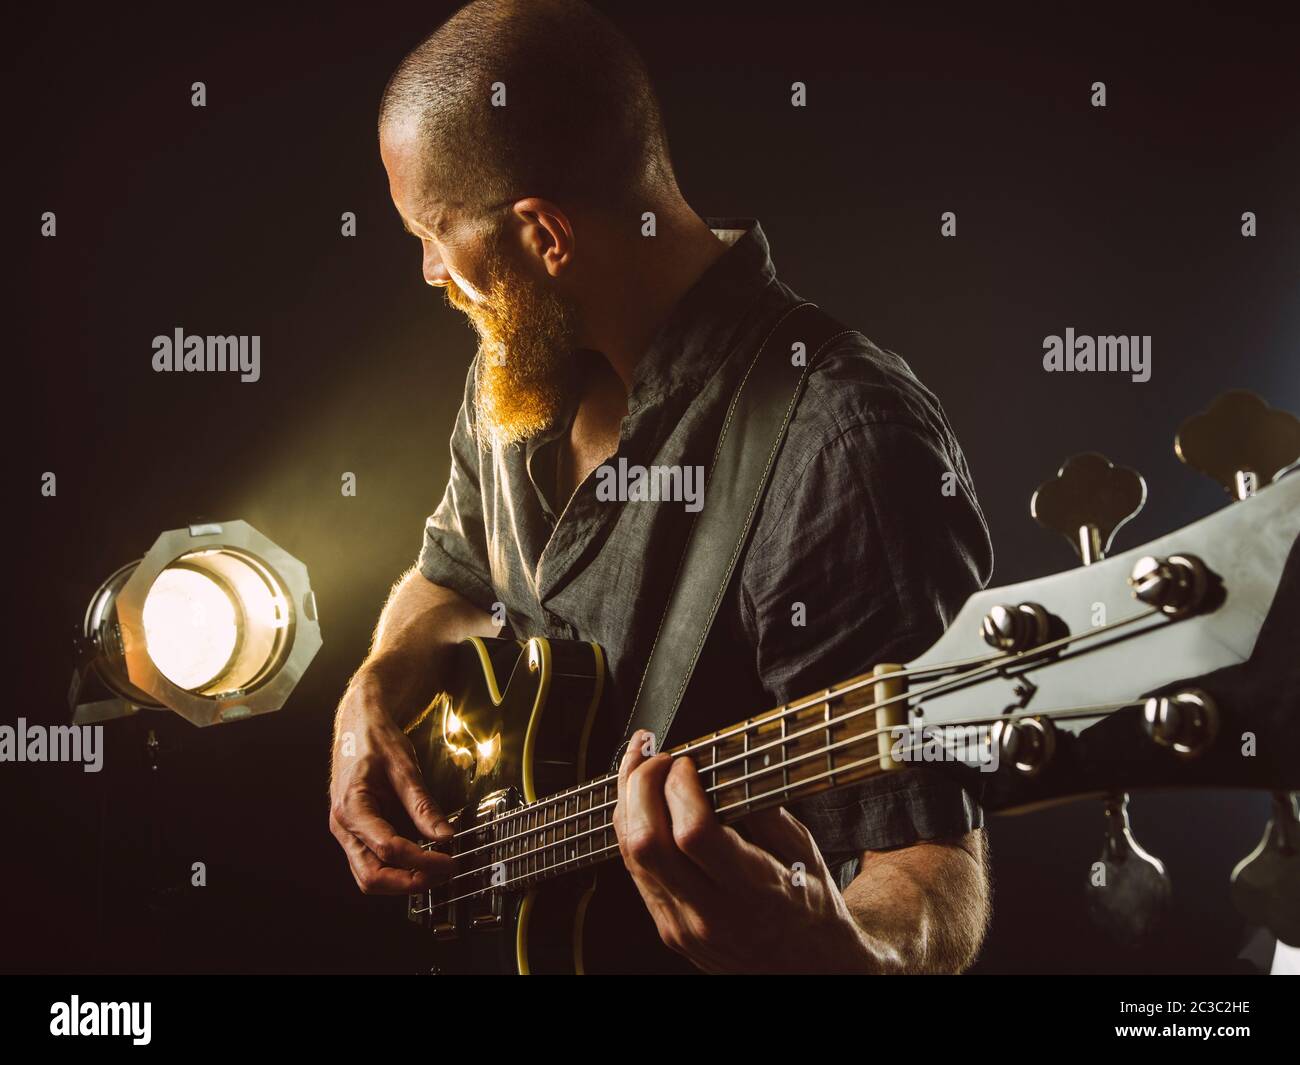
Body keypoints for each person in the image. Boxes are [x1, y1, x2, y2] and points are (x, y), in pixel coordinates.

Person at [329, 0, 994, 973]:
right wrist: (372, 684)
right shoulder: (514, 368)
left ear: (543, 236)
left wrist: (830, 951)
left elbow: (935, 878)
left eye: (434, 232)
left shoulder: (842, 444)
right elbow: (455, 576)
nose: (430, 271)